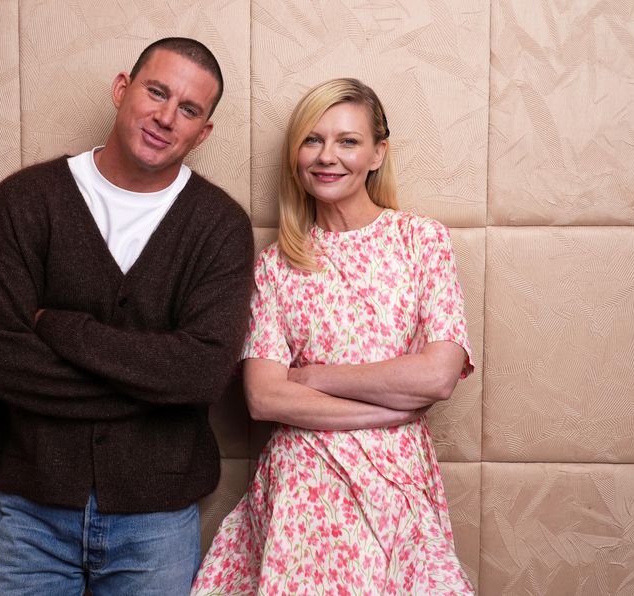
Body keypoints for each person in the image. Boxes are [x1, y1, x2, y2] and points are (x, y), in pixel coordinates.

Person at [0, 37, 254, 595]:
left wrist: (59, 327)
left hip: (158, 523)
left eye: (189, 110)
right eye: (157, 92)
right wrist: (152, 389)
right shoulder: (25, 201)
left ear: (203, 132)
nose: (167, 117)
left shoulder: (220, 227)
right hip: (30, 514)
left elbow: (201, 375)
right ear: (123, 90)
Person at [192, 78, 475, 595]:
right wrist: (383, 412)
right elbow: (263, 396)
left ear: (376, 154)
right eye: (312, 140)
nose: (327, 156)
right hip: (304, 487)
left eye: (347, 141)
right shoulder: (277, 266)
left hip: (397, 484)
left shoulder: (420, 240)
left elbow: (437, 375)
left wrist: (317, 377)